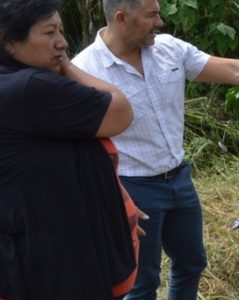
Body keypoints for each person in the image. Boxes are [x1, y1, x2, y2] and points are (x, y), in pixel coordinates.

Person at [72, 0, 239, 299]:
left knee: (192, 262)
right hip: (133, 187)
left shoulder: (168, 49)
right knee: (142, 281)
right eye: (151, 15)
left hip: (179, 178)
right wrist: (110, 196)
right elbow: (76, 143)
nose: (160, 22)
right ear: (122, 18)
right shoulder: (84, 70)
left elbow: (233, 70)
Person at [0, 0, 140, 298]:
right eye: (50, 32)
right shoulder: (28, 86)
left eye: (61, 31)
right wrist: (65, 64)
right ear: (9, 42)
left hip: (39, 248)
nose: (62, 42)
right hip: (57, 261)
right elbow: (120, 112)